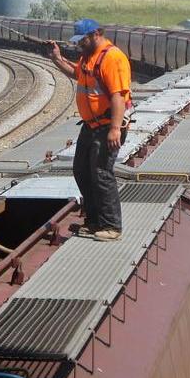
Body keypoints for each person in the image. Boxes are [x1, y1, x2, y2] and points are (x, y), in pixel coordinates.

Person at [47, 19, 133, 242]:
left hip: (107, 126)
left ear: (95, 34)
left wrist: (115, 129)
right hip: (91, 126)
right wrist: (57, 58)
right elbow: (77, 73)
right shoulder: (89, 56)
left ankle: (112, 227)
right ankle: (95, 222)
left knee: (102, 174)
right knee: (82, 171)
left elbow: (117, 97)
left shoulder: (112, 58)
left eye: (82, 41)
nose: (78, 46)